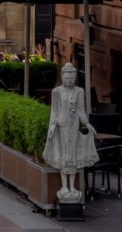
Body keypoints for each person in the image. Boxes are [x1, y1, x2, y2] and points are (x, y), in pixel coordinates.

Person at [43, 63, 98, 202]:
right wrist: (52, 125)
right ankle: (64, 187)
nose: (69, 79)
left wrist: (86, 123)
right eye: (67, 77)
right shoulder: (57, 92)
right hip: (62, 126)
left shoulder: (79, 91)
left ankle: (72, 186)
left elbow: (80, 110)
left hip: (74, 127)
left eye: (72, 77)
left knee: (72, 155)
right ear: (62, 77)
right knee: (64, 154)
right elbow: (54, 111)